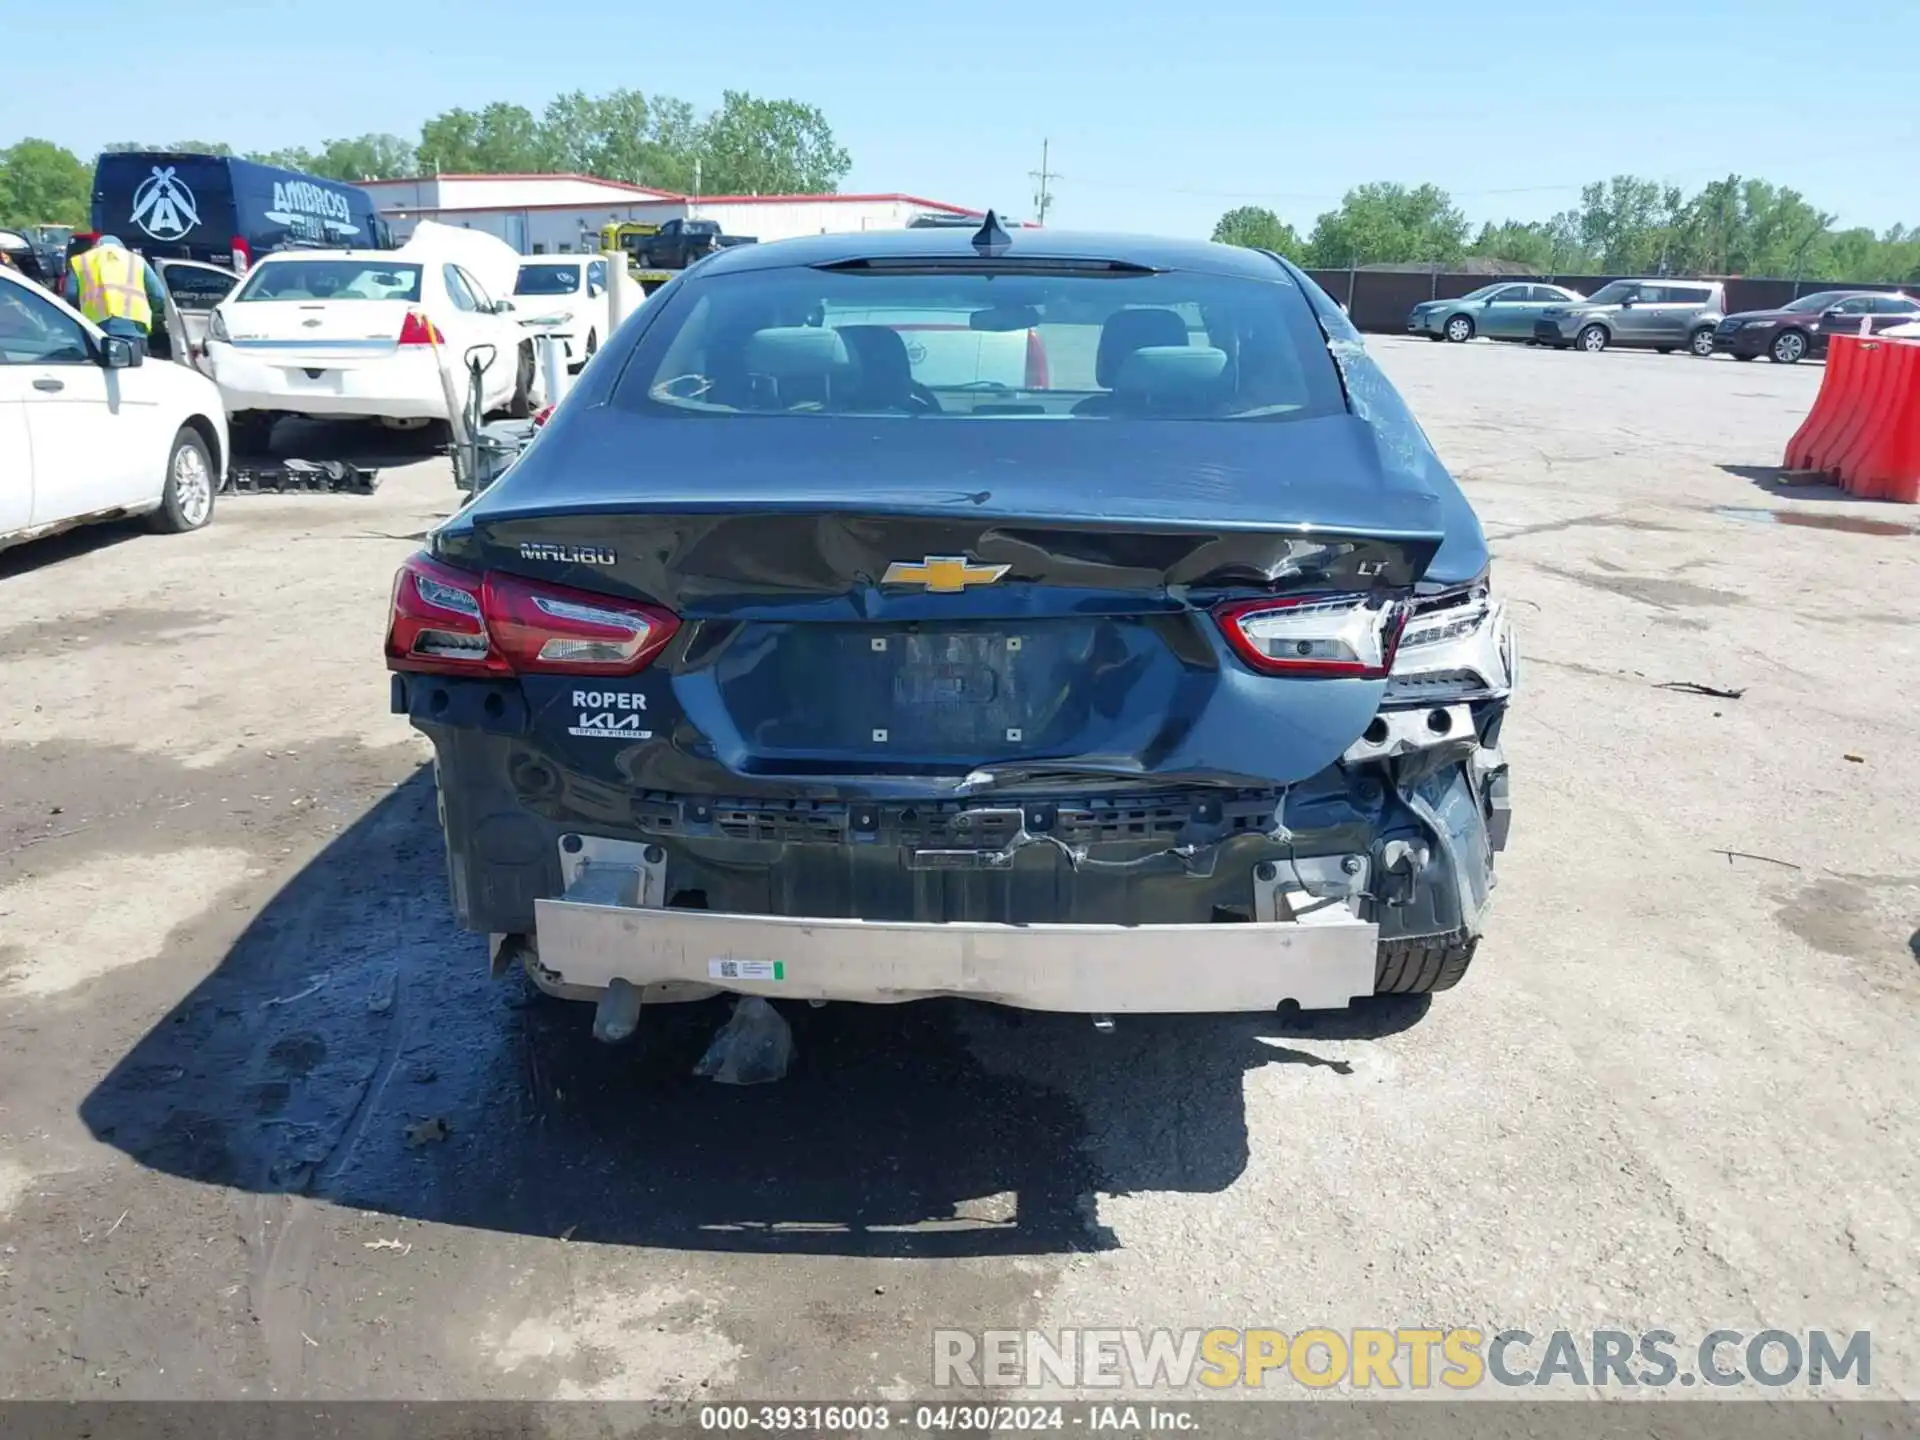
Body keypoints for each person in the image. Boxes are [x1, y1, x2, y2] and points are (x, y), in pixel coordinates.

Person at [68, 233, 167, 343]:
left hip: (96, 328)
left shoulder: (82, 261)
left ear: (96, 246)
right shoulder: (137, 261)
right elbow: (159, 296)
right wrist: (151, 314)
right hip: (135, 328)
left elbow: (71, 295)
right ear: (122, 247)